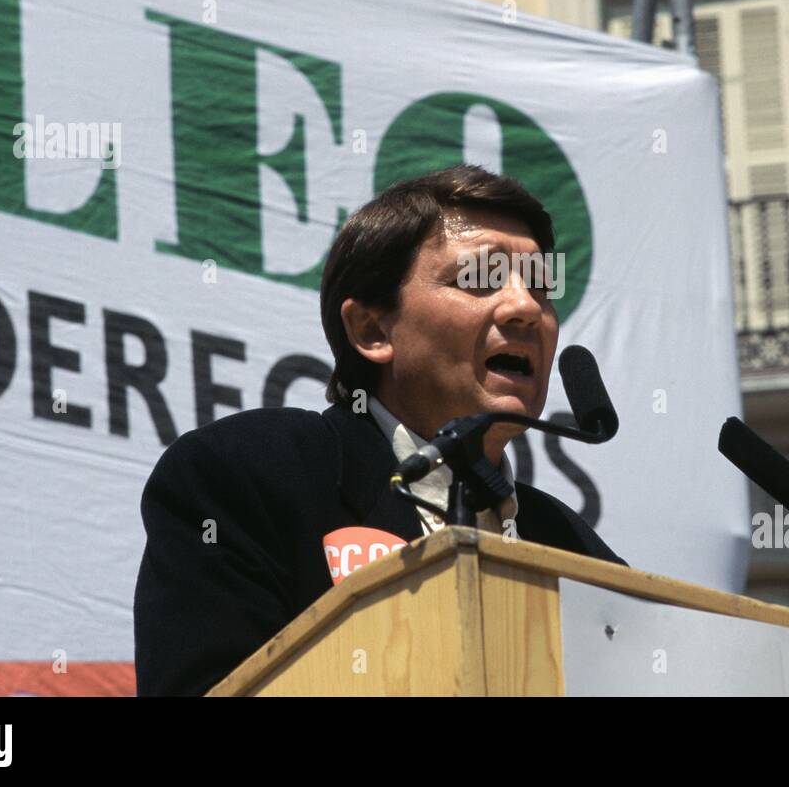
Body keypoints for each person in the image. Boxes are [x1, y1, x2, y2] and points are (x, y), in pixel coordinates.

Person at [133, 165, 626, 696]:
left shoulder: (574, 550)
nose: (527, 307)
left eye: (540, 286)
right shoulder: (250, 473)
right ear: (370, 330)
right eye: (480, 278)